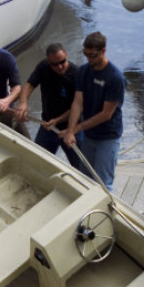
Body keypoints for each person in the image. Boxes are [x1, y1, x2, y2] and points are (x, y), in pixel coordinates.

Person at [59, 31, 125, 191]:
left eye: (93, 55)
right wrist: (70, 130)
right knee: (85, 180)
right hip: (89, 136)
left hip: (108, 137)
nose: (89, 58)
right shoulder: (83, 71)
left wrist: (77, 129)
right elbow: (77, 101)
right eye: (86, 54)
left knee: (103, 184)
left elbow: (106, 114)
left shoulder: (115, 78)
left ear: (103, 52)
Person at [14, 42, 82, 170]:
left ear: (66, 55)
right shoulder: (43, 67)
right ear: (48, 61)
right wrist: (23, 103)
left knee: (81, 168)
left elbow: (78, 106)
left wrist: (58, 121)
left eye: (62, 61)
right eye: (55, 64)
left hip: (71, 129)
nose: (60, 66)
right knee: (37, 161)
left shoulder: (77, 75)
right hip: (47, 126)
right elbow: (29, 85)